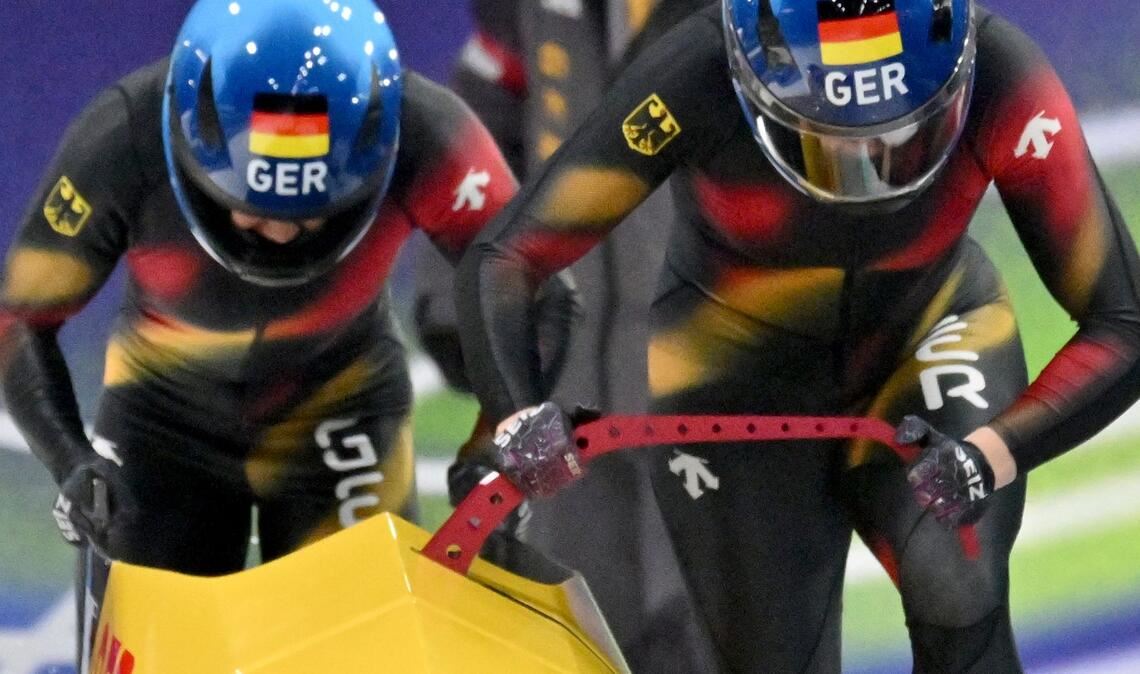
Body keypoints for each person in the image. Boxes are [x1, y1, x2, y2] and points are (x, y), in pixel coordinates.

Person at [457, 0, 1140, 671]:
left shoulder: (1000, 70)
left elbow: (1125, 324)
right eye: (824, 141)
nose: (865, 165)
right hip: (733, 374)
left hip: (927, 331)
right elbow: (512, 257)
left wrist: (990, 453)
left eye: (902, 139)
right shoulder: (698, 68)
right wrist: (516, 415)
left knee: (956, 587)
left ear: (954, 82)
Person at [0, 0, 534, 664]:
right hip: (163, 427)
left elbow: (536, 285)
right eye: (250, 208)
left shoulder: (425, 131)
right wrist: (71, 460)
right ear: (185, 148)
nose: (281, 232)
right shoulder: (124, 135)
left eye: (314, 211)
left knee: (357, 659)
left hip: (343, 413)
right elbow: (21, 320)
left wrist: (497, 444)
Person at [412, 1, 719, 671]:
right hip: (568, 403)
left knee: (714, 646)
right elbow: (486, 122)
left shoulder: (765, 15)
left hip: (713, 409)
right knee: (574, 641)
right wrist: (452, 289)